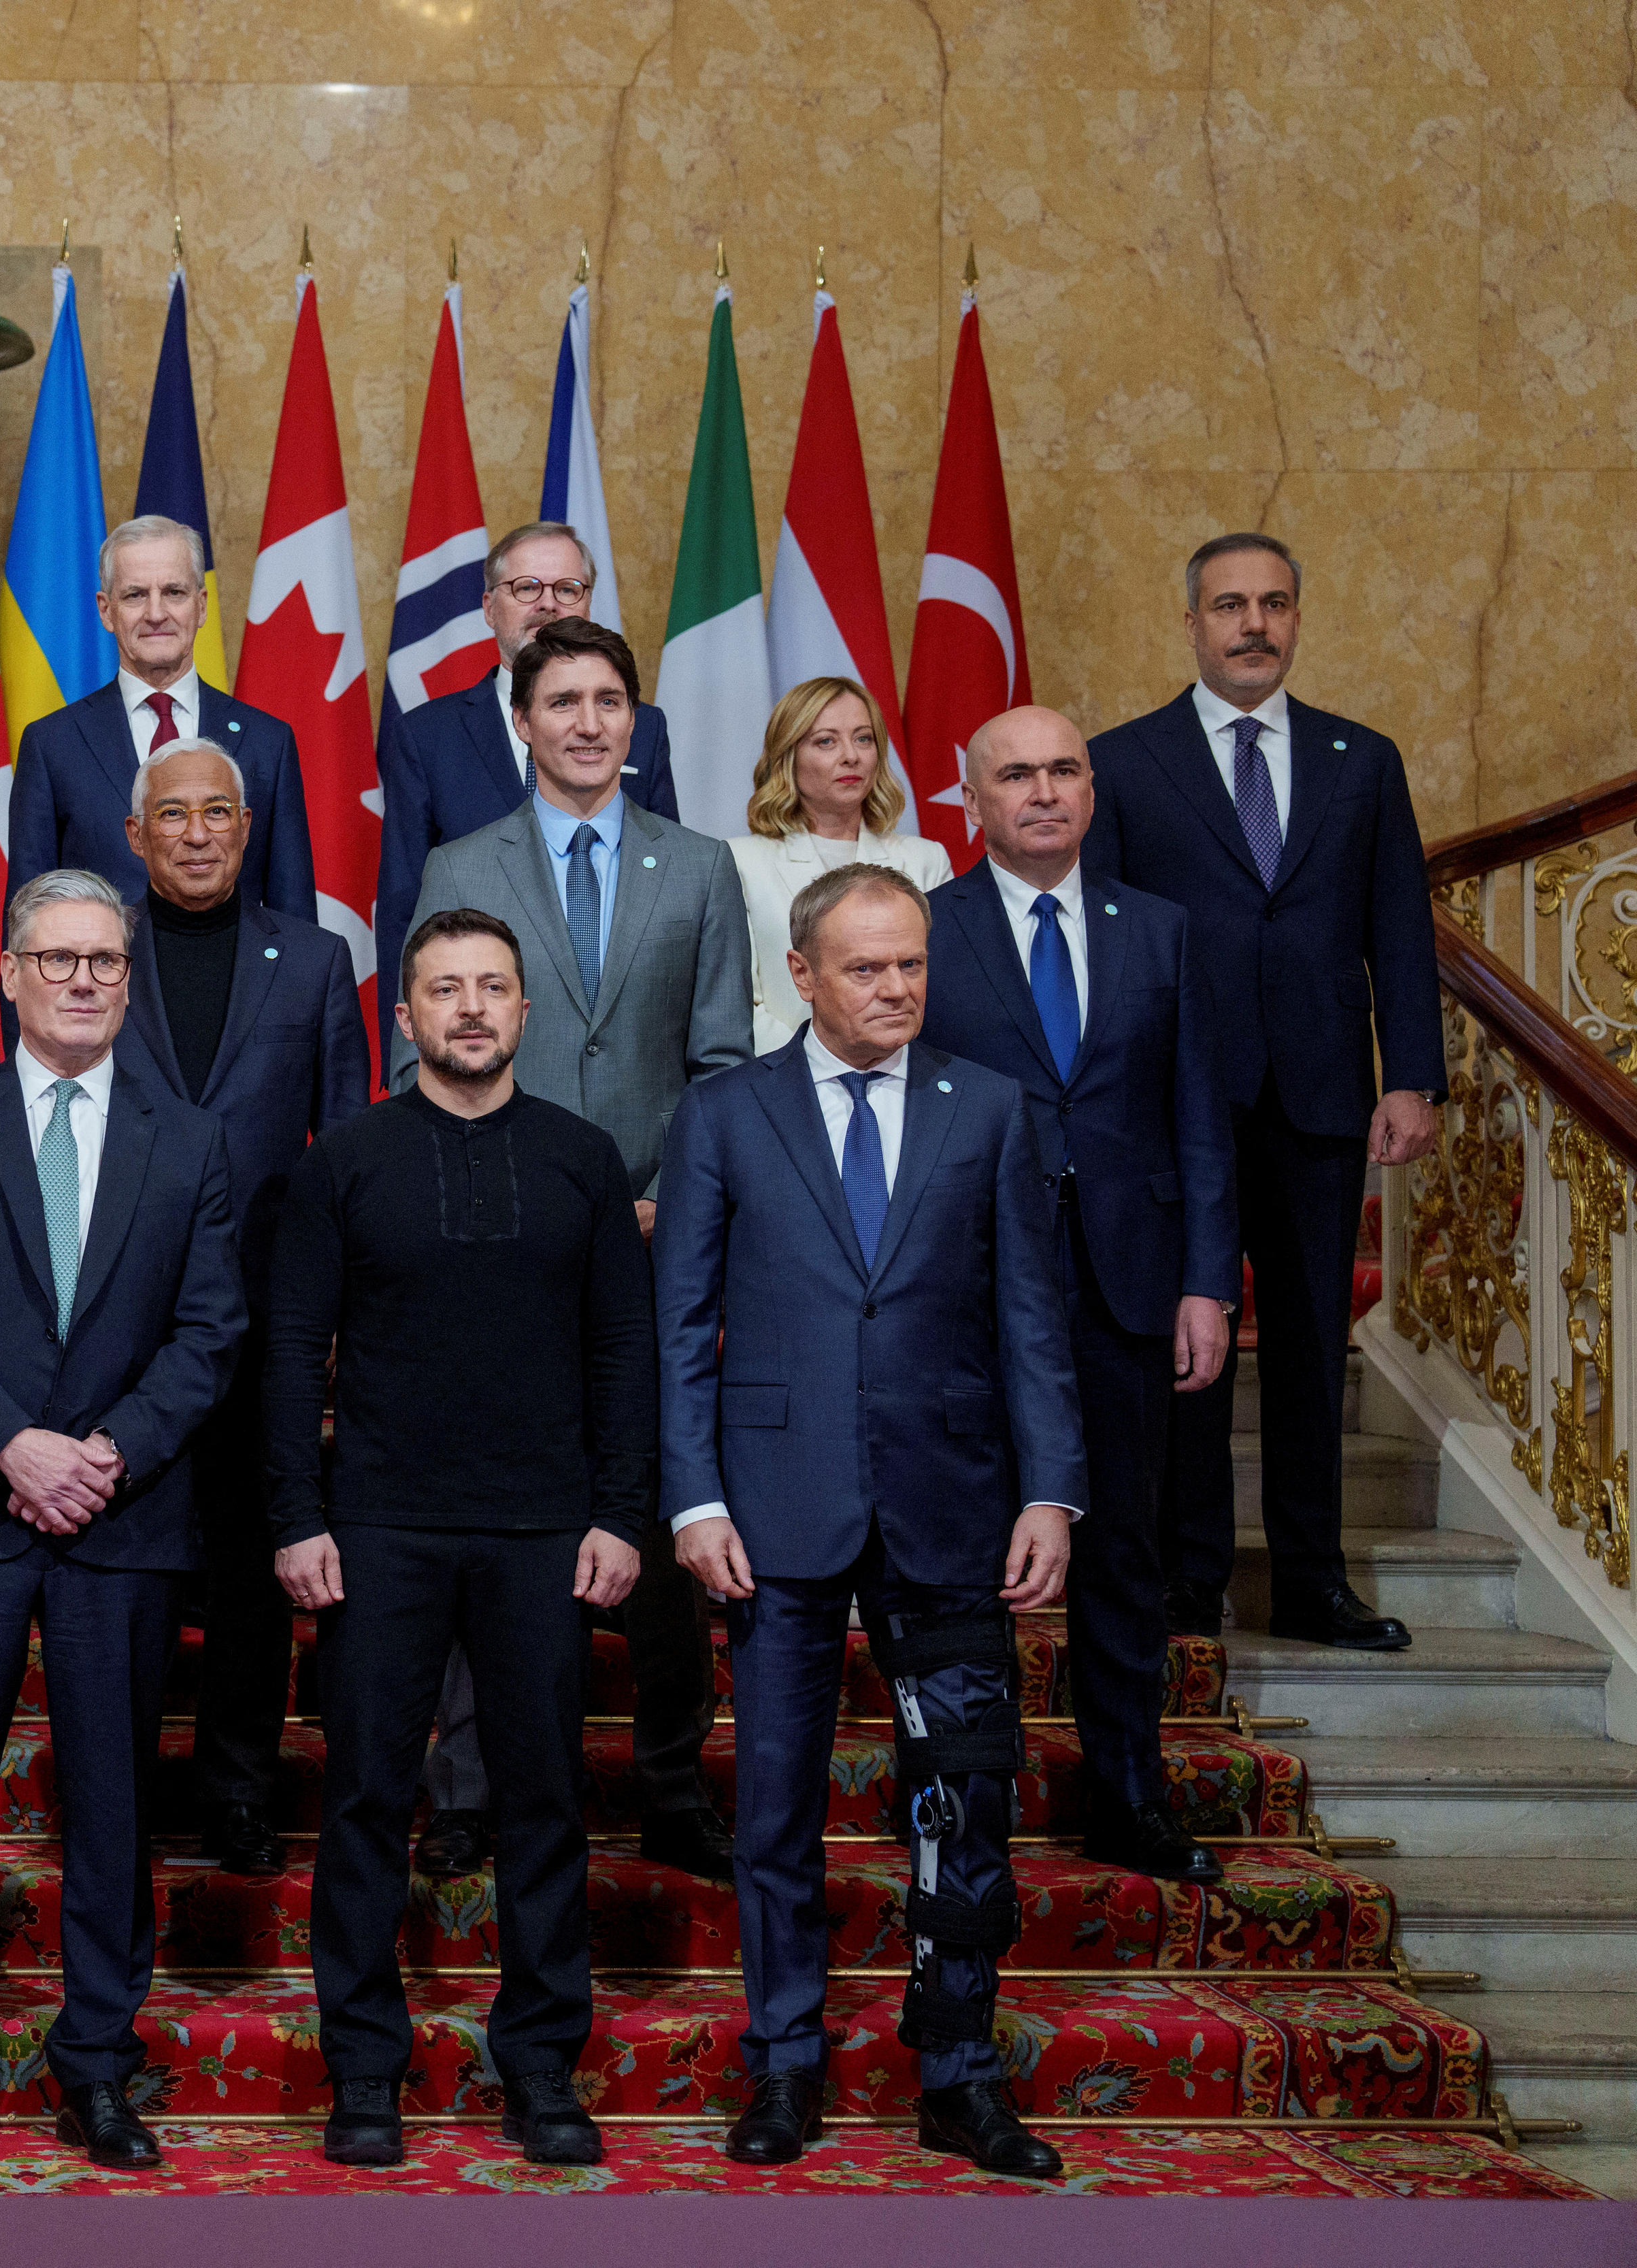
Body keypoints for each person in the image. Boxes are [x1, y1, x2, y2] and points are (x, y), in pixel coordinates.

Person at [657, 862, 1083, 2182]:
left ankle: (957, 2067)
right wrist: (693, 1495)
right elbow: (677, 1329)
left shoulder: (992, 1109)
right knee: (776, 1807)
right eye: (866, 966)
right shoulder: (724, 1113)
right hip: (772, 1516)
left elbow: (1030, 1317)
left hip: (951, 1509)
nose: (896, 987)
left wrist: (1049, 1487)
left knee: (962, 1802)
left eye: (909, 964)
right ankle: (783, 2060)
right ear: (802, 974)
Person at [0, 870, 246, 2177]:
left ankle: (98, 2062)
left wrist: (109, 1451)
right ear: (11, 972)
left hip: (120, 1519)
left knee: (111, 1807)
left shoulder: (189, 1141)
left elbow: (212, 1333)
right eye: (56, 958)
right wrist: (11, 1443)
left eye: (103, 961)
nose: (81, 979)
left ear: (128, 981)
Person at [269, 907, 650, 2171]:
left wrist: (620, 1509)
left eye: (494, 986)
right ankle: (363, 2065)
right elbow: (288, 1350)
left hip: (547, 1526)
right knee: (369, 1798)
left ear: (526, 1011)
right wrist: (297, 1515)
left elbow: (622, 1350)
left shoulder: (586, 1158)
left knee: (544, 1801)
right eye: (446, 988)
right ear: (409, 1013)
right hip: (381, 1522)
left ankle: (541, 2062)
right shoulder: (349, 1160)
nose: (472, 1007)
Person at [399, 614, 751, 1885]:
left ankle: (669, 1781)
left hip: (659, 1241)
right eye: (564, 702)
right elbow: (426, 1052)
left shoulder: (698, 866)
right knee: (479, 1511)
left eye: (611, 700)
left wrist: (668, 1199)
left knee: (659, 1528)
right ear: (524, 721)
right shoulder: (459, 861)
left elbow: (719, 1064)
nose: (590, 723)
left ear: (635, 720)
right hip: (494, 1243)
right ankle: (466, 1787)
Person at [1089, 533, 1443, 1652]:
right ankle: (1190, 1576)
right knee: (1188, 1339)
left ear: (1297, 617)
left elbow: (1398, 925)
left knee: (1307, 1349)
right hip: (1173, 1103)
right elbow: (1105, 942)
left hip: (1325, 1094)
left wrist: (1415, 1075)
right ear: (1192, 622)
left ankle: (1311, 1580)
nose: (1255, 623)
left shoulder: (1362, 758)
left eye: (1275, 603)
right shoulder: (1126, 761)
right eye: (1231, 604)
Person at [923, 707, 1237, 1886]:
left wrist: (1207, 1279)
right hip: (968, 1288)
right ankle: (973, 1795)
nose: (1043, 791)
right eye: (1016, 774)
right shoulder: (927, 930)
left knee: (1122, 1554)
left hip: (1128, 1284)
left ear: (1092, 792)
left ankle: (1129, 1794)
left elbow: (1201, 1120)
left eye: (1063, 771)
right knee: (972, 1553)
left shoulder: (1159, 930)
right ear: (971, 798)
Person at [106, 738, 367, 1879]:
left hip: (267, 1318)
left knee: (258, 1575)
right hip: (122, 1319)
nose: (199, 831)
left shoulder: (312, 961)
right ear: (136, 834)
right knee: (130, 1564)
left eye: (220, 810)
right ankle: (117, 1788)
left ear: (249, 826)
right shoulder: (91, 949)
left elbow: (345, 1147)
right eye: (176, 813)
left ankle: (238, 1791)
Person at [373, 521, 686, 1002]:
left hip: (622, 1018)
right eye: (527, 588)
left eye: (567, 588)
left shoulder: (641, 727)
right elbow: (402, 913)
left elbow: (669, 884)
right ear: (488, 607)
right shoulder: (426, 736)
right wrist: (409, 1057)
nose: (548, 603)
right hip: (480, 1025)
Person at [6, 518, 313, 921]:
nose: (156, 613)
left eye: (174, 593)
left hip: (235, 981)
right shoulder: (52, 745)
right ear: (106, 610)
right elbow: (28, 918)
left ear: (201, 606)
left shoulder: (267, 742)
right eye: (135, 595)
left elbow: (294, 920)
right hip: (104, 981)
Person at [729, 677, 958, 1053]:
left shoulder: (926, 860)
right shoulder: (740, 861)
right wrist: (816, 1071)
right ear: (788, 756)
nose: (851, 755)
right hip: (785, 1082)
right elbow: (735, 1004)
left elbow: (942, 995)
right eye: (826, 741)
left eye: (863, 738)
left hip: (905, 1078)